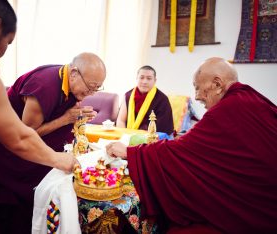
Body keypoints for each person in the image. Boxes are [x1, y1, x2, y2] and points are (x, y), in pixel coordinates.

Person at [106, 57, 277, 233]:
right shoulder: (253, 97)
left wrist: (131, 153)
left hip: (258, 214)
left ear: (217, 84)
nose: (195, 96)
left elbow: (180, 150)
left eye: (197, 87)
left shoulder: (225, 110)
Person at [0, 52, 106, 233]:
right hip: (9, 153)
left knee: (32, 207)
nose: (91, 93)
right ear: (74, 73)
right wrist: (65, 119)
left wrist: (75, 117)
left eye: (97, 89)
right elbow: (25, 134)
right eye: (90, 87)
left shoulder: (67, 83)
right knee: (10, 209)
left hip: (34, 156)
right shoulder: (44, 86)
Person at [116, 65, 174, 135]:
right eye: (141, 78)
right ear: (137, 78)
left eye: (149, 78)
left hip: (150, 138)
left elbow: (162, 127)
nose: (144, 81)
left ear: (155, 81)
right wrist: (124, 136)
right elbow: (121, 120)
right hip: (127, 136)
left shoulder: (162, 99)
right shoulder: (128, 95)